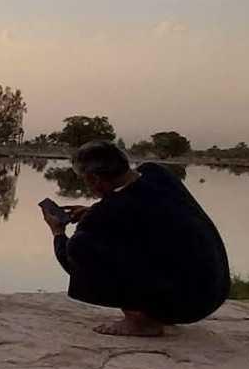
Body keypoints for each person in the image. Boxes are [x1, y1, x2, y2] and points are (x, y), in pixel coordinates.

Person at [43, 139, 230, 336]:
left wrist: (58, 233)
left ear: (94, 180)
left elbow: (75, 264)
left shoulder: (106, 214)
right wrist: (93, 210)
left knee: (80, 246)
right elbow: (147, 210)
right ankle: (157, 307)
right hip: (214, 291)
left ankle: (140, 321)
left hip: (184, 306)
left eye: (85, 179)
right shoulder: (156, 173)